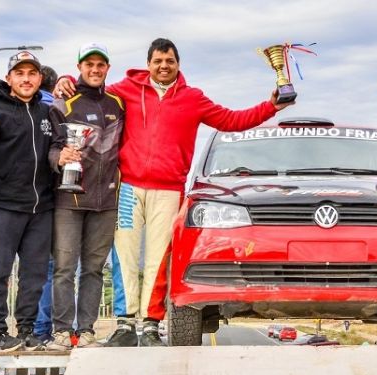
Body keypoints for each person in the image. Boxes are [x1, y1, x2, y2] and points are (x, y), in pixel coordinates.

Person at [57, 38, 293, 346]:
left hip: (168, 191)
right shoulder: (125, 89)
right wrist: (65, 81)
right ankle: (126, 325)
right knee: (124, 256)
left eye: (169, 61)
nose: (163, 66)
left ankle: (151, 325)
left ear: (178, 65)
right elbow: (93, 88)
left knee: (157, 261)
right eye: (157, 61)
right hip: (128, 187)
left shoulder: (193, 98)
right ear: (149, 64)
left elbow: (232, 120)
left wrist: (271, 106)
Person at [0, 51, 66, 352]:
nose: (25, 78)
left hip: (41, 206)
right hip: (2, 204)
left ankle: (25, 330)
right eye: (19, 73)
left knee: (34, 275)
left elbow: (56, 148)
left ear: (39, 78)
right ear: (9, 78)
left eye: (31, 73)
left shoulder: (46, 112)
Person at [46, 43, 124, 350]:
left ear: (107, 68)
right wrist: (59, 157)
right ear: (79, 67)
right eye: (88, 64)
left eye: (100, 65)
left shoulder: (118, 103)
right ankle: (62, 331)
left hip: (106, 201)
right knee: (65, 268)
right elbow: (51, 147)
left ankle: (87, 330)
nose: (94, 69)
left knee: (94, 270)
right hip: (69, 198)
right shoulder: (63, 102)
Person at [33, 64, 59, 344]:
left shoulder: (29, 108)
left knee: (37, 269)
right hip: (61, 198)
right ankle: (69, 328)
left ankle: (38, 329)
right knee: (63, 269)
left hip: (29, 199)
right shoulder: (60, 106)